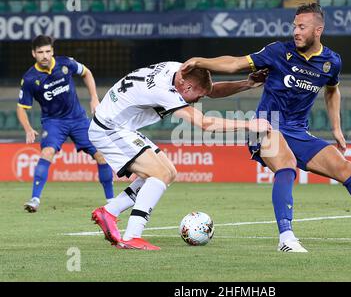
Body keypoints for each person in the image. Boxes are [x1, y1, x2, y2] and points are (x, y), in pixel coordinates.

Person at [181, 3, 351, 253]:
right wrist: (200, 61)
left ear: (318, 30)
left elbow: (332, 90)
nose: (296, 31)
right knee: (286, 164)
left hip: (298, 131)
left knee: (345, 168)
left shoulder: (331, 62)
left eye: (302, 27)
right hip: (266, 126)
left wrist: (336, 128)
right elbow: (235, 64)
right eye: (294, 26)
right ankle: (286, 238)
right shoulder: (278, 51)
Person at [89, 61, 271, 250]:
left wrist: (246, 84)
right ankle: (132, 236)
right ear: (187, 86)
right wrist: (249, 125)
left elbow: (209, 89)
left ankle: (109, 211)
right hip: (109, 129)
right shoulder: (164, 91)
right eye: (198, 96)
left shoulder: (178, 71)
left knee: (168, 172)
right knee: (159, 174)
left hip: (120, 126)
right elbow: (205, 123)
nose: (199, 100)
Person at [17, 35, 114, 213]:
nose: (45, 55)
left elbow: (86, 73)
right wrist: (28, 128)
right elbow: (21, 107)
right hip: (53, 122)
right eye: (40, 52)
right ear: (33, 54)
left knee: (100, 155)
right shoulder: (30, 79)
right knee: (47, 153)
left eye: (48, 51)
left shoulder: (66, 63)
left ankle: (111, 200)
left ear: (52, 51)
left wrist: (94, 98)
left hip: (78, 119)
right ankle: (35, 199)